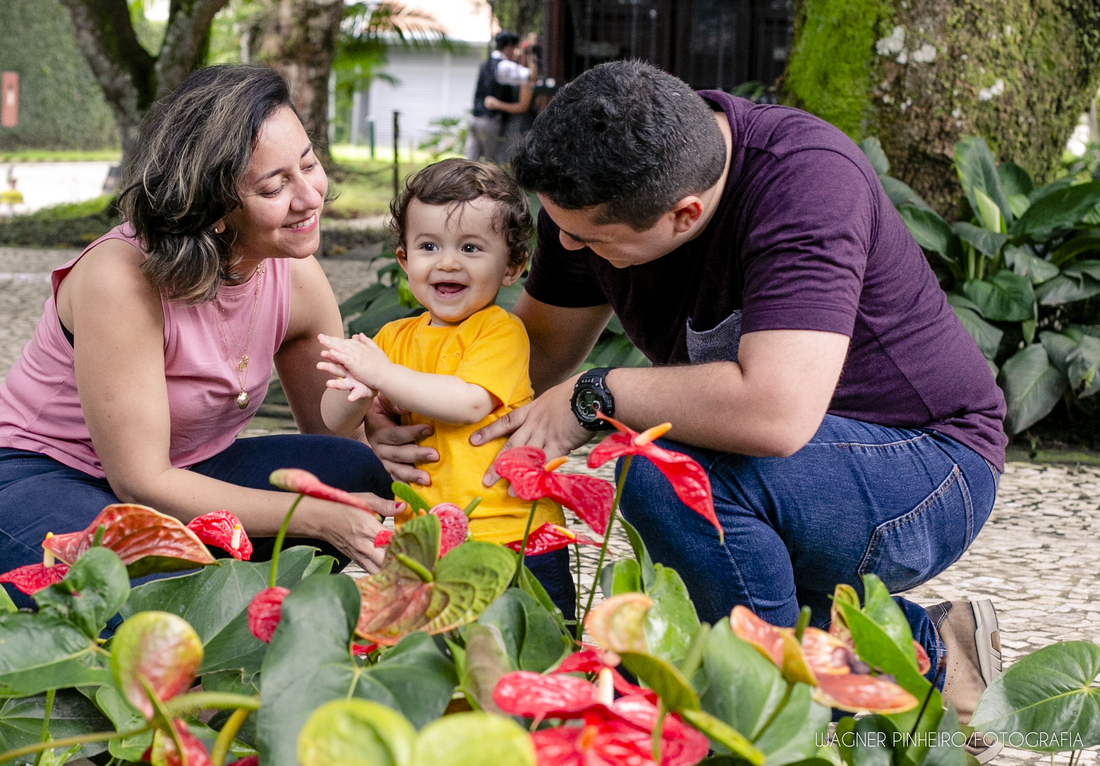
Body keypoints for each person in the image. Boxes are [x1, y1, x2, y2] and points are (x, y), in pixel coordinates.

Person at [370, 61, 1006, 757]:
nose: (569, 248)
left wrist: (600, 395)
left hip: (926, 466)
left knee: (662, 472)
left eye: (589, 240)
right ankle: (933, 648)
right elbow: (538, 355)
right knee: (697, 513)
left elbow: (774, 413)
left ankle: (766, 725)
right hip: (780, 468)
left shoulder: (805, 181)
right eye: (561, 229)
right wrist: (407, 410)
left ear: (686, 215)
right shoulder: (597, 184)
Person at [0, 65, 401, 611]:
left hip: (188, 474)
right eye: (274, 185)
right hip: (39, 479)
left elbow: (331, 437)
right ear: (215, 210)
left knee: (353, 476)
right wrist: (311, 516)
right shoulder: (120, 278)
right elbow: (142, 484)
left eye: (308, 164)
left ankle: (226, 605)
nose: (310, 196)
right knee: (148, 612)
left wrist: (384, 418)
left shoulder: (294, 276)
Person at [318, 159, 576, 620]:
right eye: (429, 245)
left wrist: (380, 376)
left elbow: (467, 401)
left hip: (511, 537)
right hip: (423, 539)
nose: (448, 261)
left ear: (513, 266)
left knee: (537, 655)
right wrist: (352, 387)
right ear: (405, 259)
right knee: (432, 660)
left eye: (472, 247)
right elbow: (334, 421)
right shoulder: (394, 339)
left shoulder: (500, 331)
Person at [466, 31, 532, 163]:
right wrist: (530, 57)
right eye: (515, 48)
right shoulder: (503, 65)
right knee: (491, 162)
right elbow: (529, 75)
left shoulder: (485, 64)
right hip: (489, 121)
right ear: (508, 47)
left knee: (470, 162)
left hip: (475, 118)